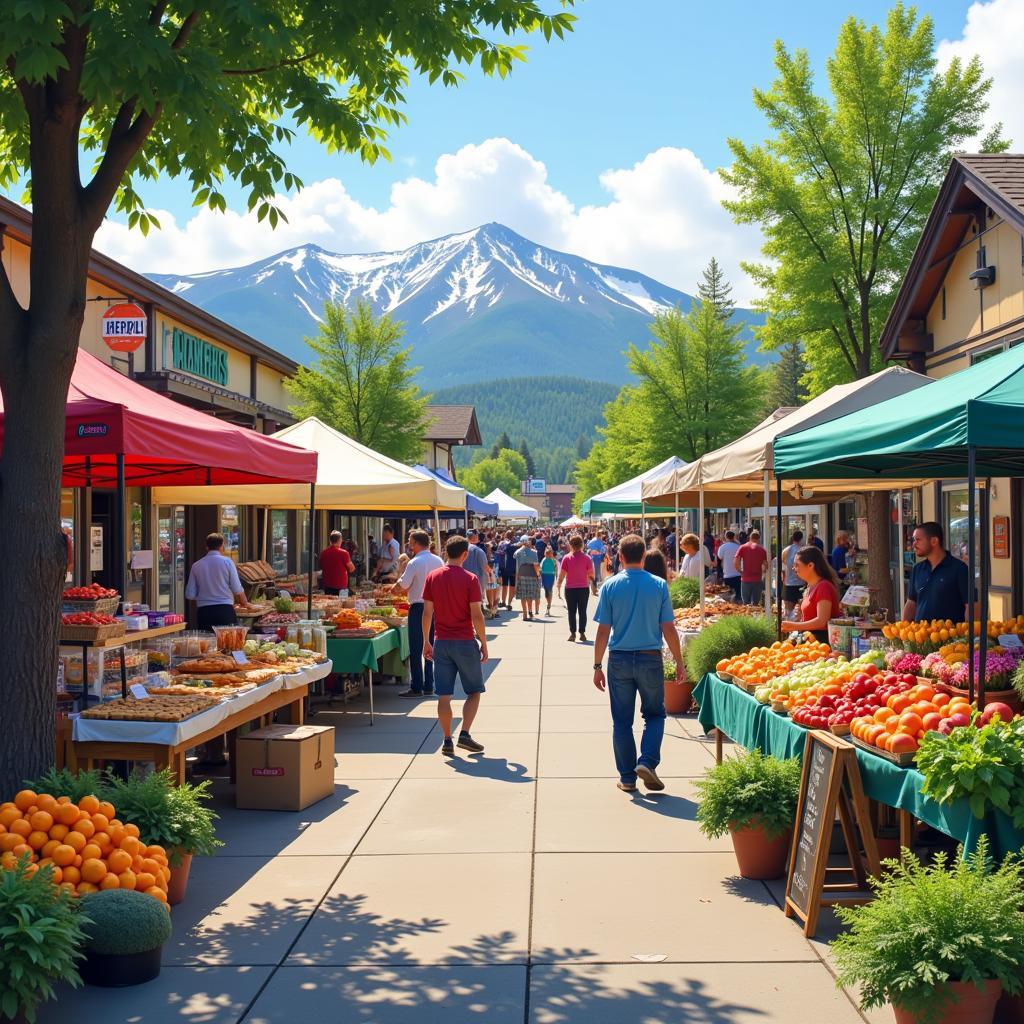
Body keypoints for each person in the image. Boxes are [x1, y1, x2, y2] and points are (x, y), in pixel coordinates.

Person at [592, 533, 684, 793]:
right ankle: (647, 760)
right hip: (649, 658)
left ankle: (628, 777)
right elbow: (668, 628)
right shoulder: (658, 585)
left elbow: (602, 631)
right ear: (644, 556)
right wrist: (678, 661)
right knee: (654, 714)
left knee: (621, 721)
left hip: (619, 659)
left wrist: (597, 666)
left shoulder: (610, 586)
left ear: (619, 557)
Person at [422, 535, 489, 756]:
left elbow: (427, 612)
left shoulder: (433, 577)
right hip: (464, 641)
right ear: (465, 555)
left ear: (445, 553)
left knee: (444, 695)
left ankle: (447, 739)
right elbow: (477, 615)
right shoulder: (470, 579)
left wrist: (426, 641)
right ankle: (465, 734)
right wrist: (484, 643)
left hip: (441, 641)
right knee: (474, 691)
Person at [393, 529, 444, 698]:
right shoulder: (438, 560)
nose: (408, 544)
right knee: (431, 644)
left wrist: (395, 585)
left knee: (416, 646)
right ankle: (429, 684)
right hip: (436, 606)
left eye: (410, 541)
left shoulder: (414, 562)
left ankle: (417, 686)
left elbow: (403, 585)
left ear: (415, 544)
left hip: (419, 607)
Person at [902, 522, 971, 624]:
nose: (914, 544)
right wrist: (903, 630)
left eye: (918, 540)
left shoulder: (959, 569)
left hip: (950, 637)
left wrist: (968, 635)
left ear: (934, 541)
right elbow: (911, 602)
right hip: (919, 636)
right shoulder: (917, 569)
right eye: (913, 540)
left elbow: (970, 605)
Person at [184, 533, 257, 627]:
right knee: (227, 641)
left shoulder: (196, 565)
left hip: (204, 612)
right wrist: (245, 603)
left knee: (207, 641)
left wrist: (205, 595)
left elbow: (190, 595)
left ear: (206, 547)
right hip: (224, 610)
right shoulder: (227, 562)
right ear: (222, 546)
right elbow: (237, 588)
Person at [781, 546, 841, 643]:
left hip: (821, 643)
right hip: (810, 640)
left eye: (797, 565)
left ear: (810, 565)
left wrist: (794, 626)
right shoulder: (810, 586)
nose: (794, 568)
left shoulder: (823, 587)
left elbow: (822, 621)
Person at [557, 534, 595, 642]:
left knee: (571, 611)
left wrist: (558, 585)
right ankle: (582, 633)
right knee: (583, 611)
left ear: (570, 545)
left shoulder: (566, 558)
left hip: (570, 589)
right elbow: (591, 574)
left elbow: (562, 575)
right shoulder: (587, 558)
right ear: (582, 545)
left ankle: (573, 633)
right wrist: (594, 587)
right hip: (583, 588)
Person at [464, 530, 494, 618]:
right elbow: (485, 566)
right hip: (477, 582)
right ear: (475, 537)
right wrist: (491, 573)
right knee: (476, 607)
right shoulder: (478, 550)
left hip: (462, 580)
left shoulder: (461, 548)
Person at [735, 529, 768, 606]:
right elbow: (765, 565)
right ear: (758, 539)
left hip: (746, 578)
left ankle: (747, 617)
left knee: (746, 603)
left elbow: (736, 561)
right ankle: (755, 617)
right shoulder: (762, 550)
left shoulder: (743, 547)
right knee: (755, 604)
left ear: (749, 538)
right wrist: (762, 573)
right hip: (757, 579)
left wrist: (740, 571)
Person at [319, 530, 355, 596]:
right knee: (342, 604)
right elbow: (352, 568)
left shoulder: (323, 553)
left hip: (327, 585)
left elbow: (322, 566)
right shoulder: (344, 553)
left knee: (329, 605)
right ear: (339, 540)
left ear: (330, 541)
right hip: (341, 586)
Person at [514, 533, 541, 620]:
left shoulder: (518, 552)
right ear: (528, 542)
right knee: (529, 595)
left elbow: (516, 561)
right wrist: (538, 574)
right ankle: (529, 611)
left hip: (521, 574)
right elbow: (536, 565)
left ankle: (525, 613)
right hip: (532, 575)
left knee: (523, 595)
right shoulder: (534, 552)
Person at [780, 530, 805, 616]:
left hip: (788, 584)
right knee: (801, 611)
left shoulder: (786, 551)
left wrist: (783, 579)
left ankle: (788, 628)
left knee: (788, 611)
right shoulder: (803, 550)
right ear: (801, 539)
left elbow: (783, 567)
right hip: (801, 583)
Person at [718, 530, 741, 601]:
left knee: (727, 595)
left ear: (726, 537)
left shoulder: (723, 547)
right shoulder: (738, 546)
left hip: (727, 574)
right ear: (734, 537)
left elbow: (719, 557)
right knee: (738, 596)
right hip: (738, 573)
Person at [499, 530, 518, 609]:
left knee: (505, 585)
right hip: (513, 566)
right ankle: (509, 604)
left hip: (504, 567)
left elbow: (499, 553)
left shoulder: (502, 543)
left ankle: (503, 601)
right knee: (512, 585)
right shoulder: (516, 544)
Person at [540, 545, 558, 615]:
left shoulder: (553, 560)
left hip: (550, 576)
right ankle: (548, 604)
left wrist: (556, 577)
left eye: (549, 553)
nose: (548, 555)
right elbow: (540, 568)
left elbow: (556, 569)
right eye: (547, 554)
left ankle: (549, 605)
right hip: (545, 576)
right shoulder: (544, 560)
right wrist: (540, 575)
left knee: (549, 590)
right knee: (546, 590)